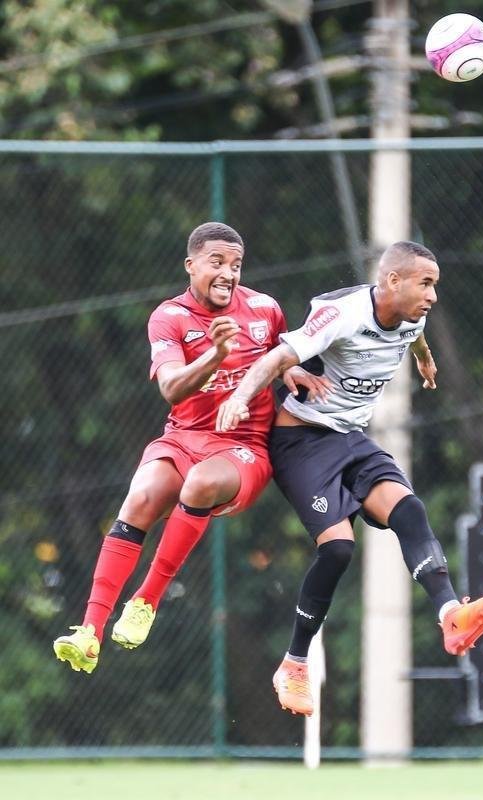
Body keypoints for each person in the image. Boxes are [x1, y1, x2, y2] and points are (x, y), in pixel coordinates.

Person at [216, 240, 483, 716]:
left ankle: (452, 615)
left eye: (435, 284)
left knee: (409, 509)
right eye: (426, 283)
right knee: (337, 549)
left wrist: (424, 359)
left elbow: (415, 333)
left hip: (351, 437)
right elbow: (276, 359)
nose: (433, 295)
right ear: (393, 281)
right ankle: (293, 663)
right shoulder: (344, 315)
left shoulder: (414, 315)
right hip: (301, 441)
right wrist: (241, 397)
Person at [53, 221, 327, 674]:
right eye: (216, 262)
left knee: (200, 484)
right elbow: (172, 389)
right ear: (191, 265)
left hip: (243, 448)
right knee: (140, 497)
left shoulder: (264, 308)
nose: (228, 273)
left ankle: (146, 602)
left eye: (236, 265)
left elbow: (278, 357)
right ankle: (90, 632)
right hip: (182, 438)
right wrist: (214, 355)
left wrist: (289, 372)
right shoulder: (169, 316)